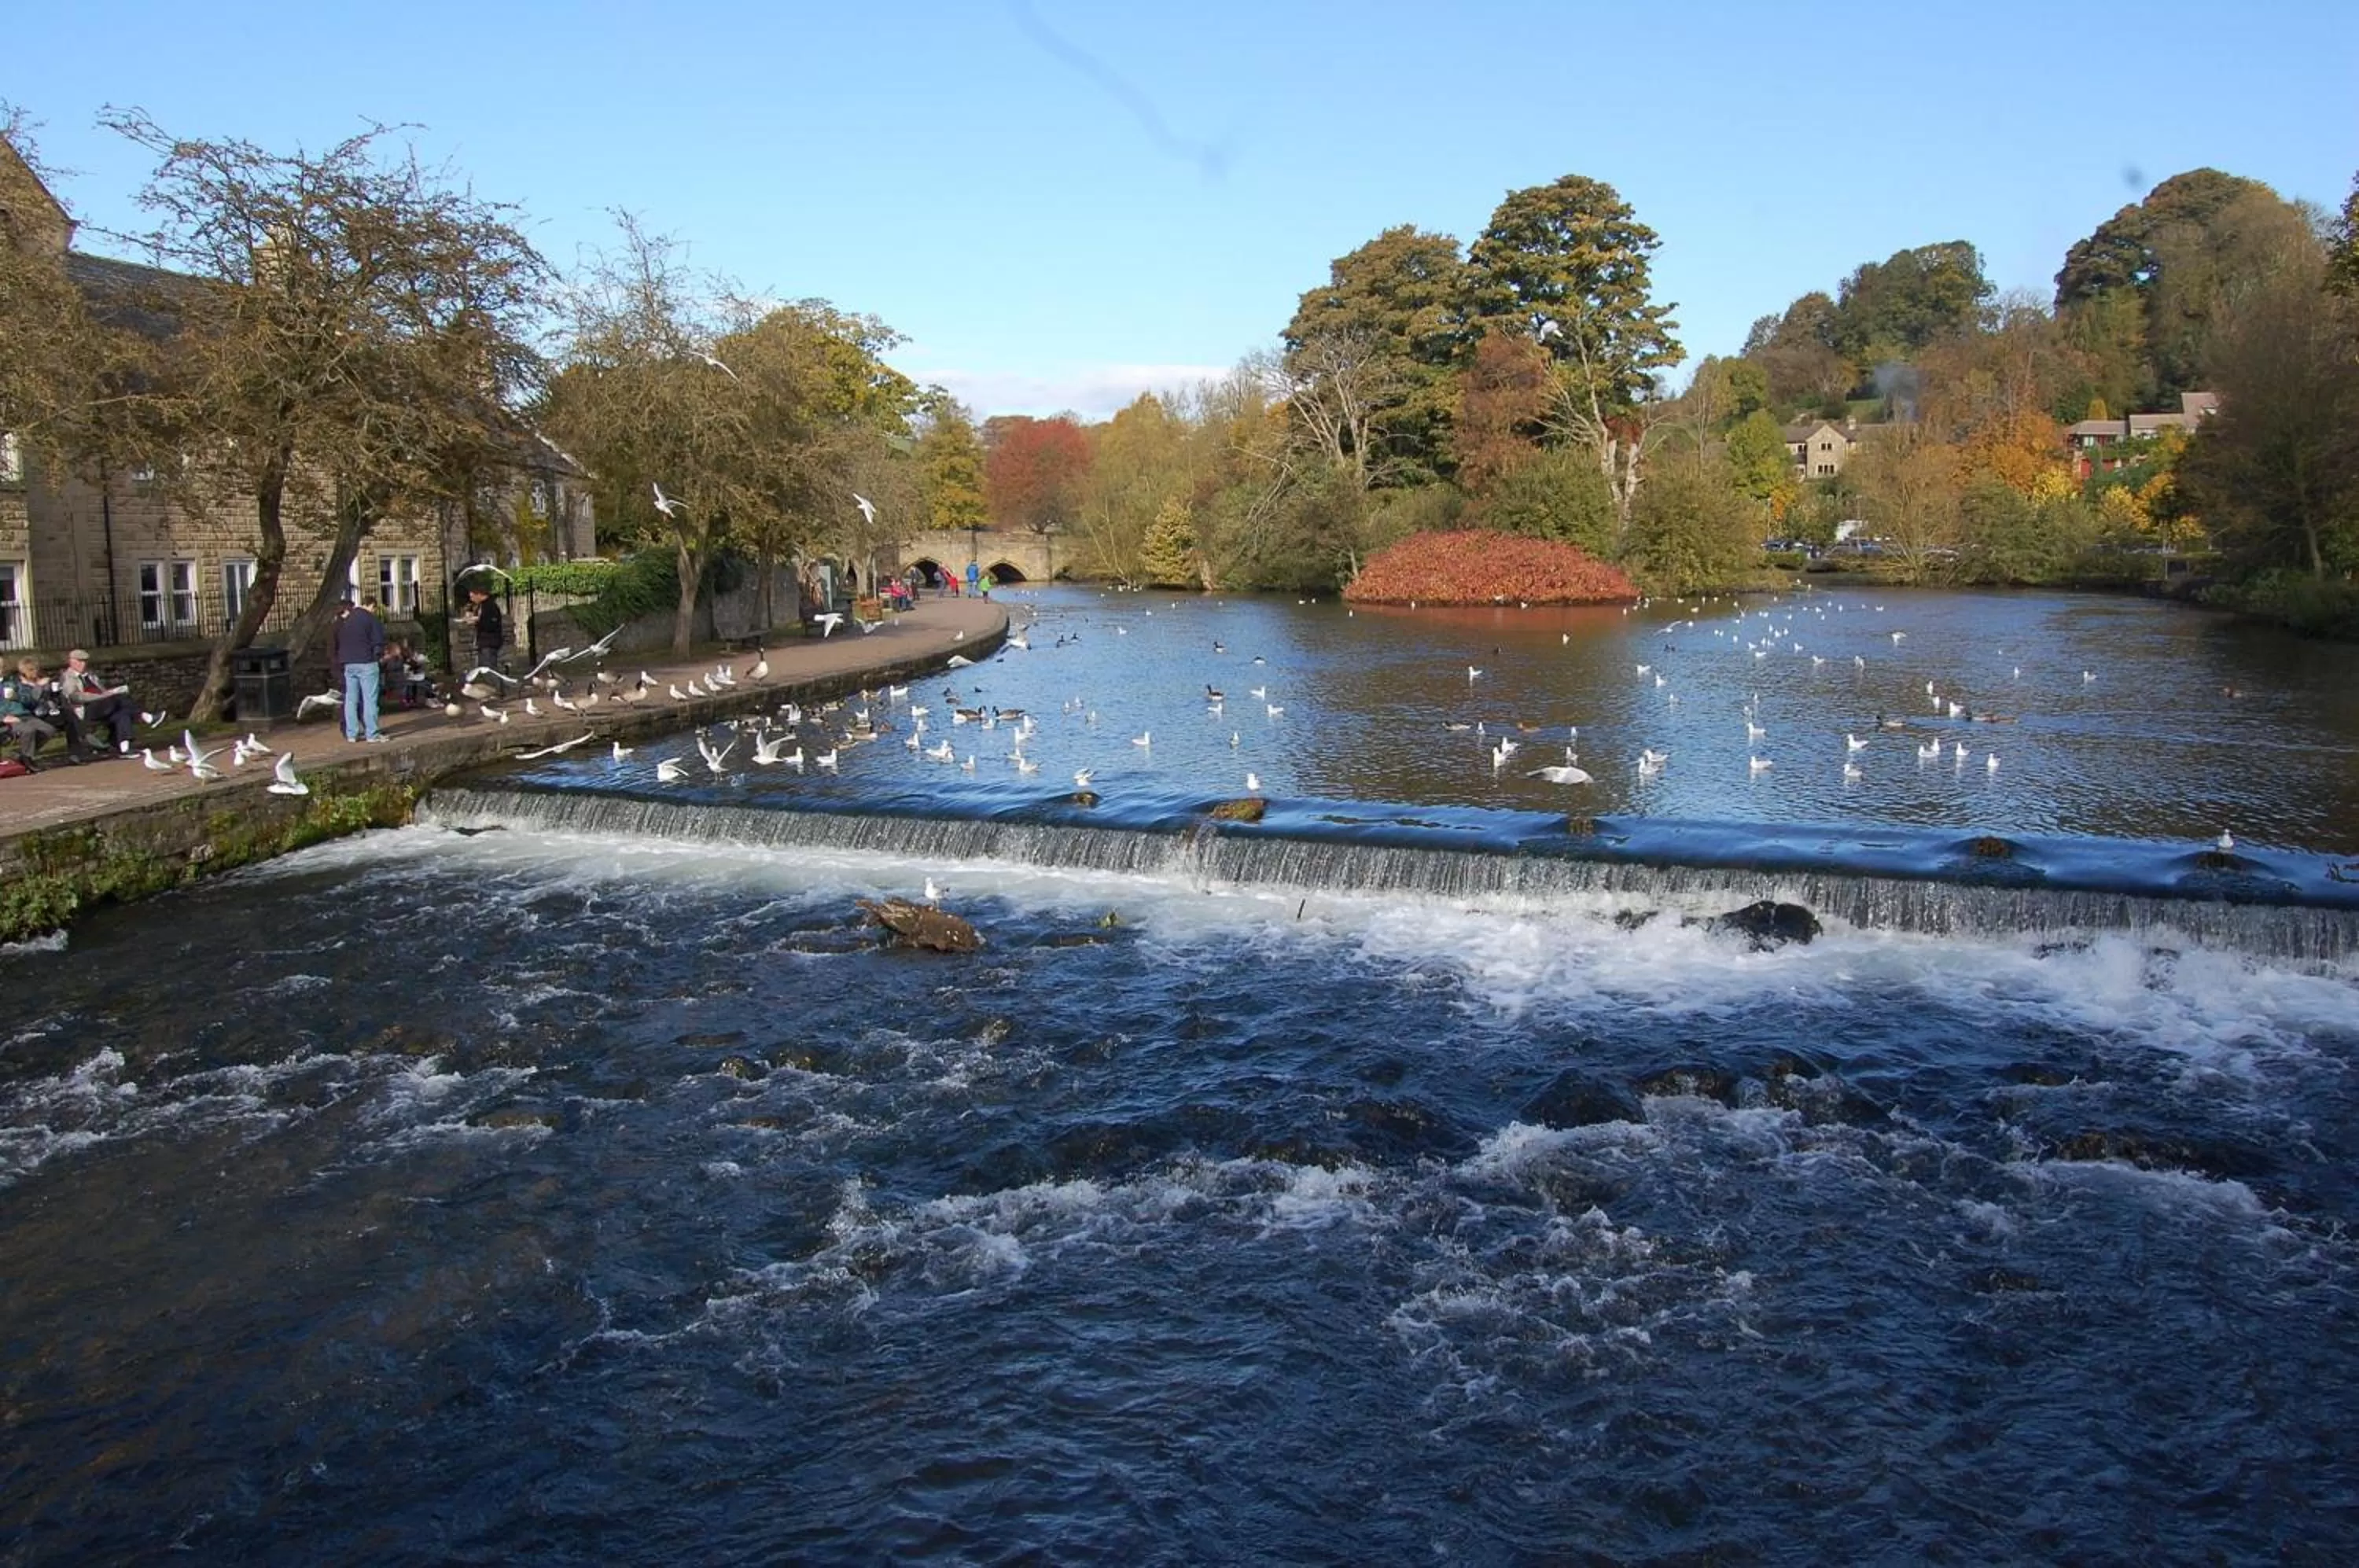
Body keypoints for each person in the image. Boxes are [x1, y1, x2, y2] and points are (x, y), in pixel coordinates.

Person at [57, 648, 135, 758]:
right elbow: (75, 697)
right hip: (84, 709)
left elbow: (102, 690)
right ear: (71, 661)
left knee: (122, 713)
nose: (83, 664)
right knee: (119, 700)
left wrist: (108, 694)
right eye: (80, 661)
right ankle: (143, 715)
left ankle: (124, 748)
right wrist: (100, 697)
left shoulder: (91, 675)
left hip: (102, 706)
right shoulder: (67, 677)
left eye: (85, 661)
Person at [330, 594, 388, 742]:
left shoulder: (347, 619)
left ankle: (352, 734)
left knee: (351, 699)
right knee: (370, 699)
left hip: (348, 663)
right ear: (372, 606)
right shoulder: (371, 619)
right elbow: (378, 642)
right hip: (366, 662)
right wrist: (378, 657)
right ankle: (372, 734)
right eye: (374, 609)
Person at [0, 657, 58, 765]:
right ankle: (28, 760)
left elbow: (30, 700)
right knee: (28, 730)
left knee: (48, 730)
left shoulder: (12, 682)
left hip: (24, 714)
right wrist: (3, 717)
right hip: (7, 719)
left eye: (2, 667)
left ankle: (21, 755)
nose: (2, 670)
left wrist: (18, 697)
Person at [462, 585, 506, 674]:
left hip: (490, 642)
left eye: (472, 596)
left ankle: (497, 682)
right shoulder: (481, 606)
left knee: (489, 669)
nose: (471, 599)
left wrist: (477, 621)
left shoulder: (490, 606)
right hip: (484, 642)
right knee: (484, 669)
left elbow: (491, 625)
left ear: (479, 595)